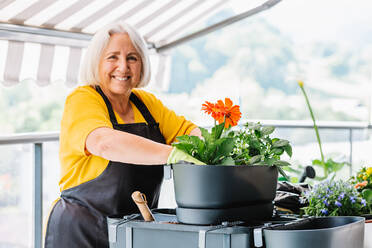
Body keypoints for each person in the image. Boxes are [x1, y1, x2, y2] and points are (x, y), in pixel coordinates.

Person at [44, 21, 203, 247]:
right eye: (112, 57)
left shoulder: (146, 104)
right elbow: (104, 143)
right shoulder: (83, 99)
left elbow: (187, 132)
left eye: (132, 57)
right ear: (96, 61)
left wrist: (208, 147)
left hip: (131, 232)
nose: (123, 67)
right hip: (80, 231)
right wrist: (172, 154)